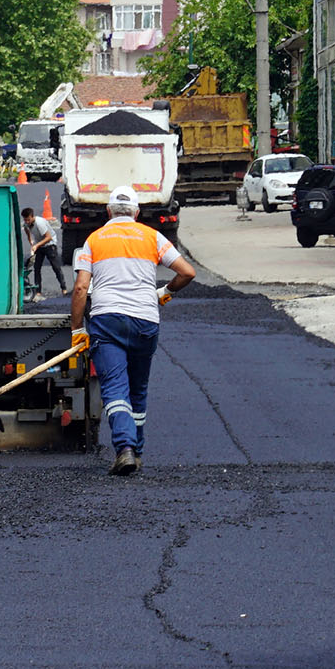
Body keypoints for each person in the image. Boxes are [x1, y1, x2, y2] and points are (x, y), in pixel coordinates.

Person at [69, 187, 195, 476]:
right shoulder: (152, 237)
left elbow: (80, 288)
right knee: (137, 389)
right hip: (145, 321)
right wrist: (164, 292)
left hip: (107, 321)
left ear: (108, 212)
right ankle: (136, 452)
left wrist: (77, 329)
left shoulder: (95, 239)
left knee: (115, 387)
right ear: (137, 213)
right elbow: (187, 272)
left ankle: (124, 448)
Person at [24, 203, 66, 300]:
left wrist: (36, 245)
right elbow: (27, 230)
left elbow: (48, 237)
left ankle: (63, 288)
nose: (27, 221)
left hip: (49, 244)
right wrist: (31, 241)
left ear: (32, 216)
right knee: (37, 268)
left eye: (28, 219)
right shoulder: (27, 223)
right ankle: (38, 291)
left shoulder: (40, 223)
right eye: (25, 220)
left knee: (56, 267)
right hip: (39, 244)